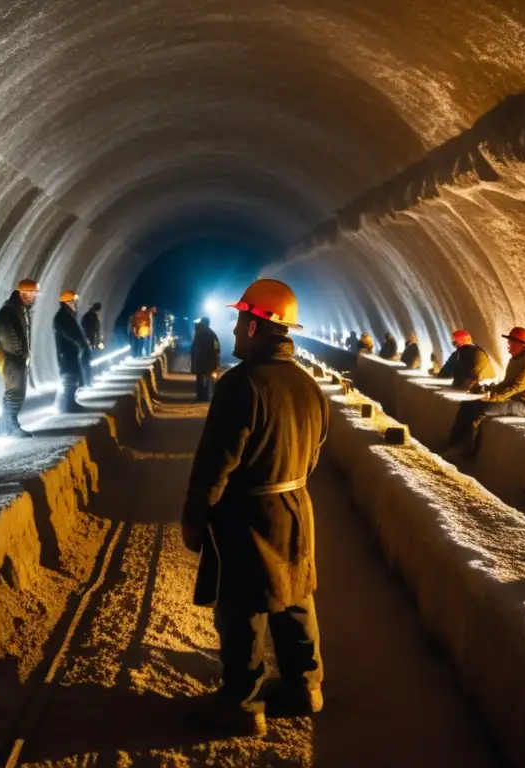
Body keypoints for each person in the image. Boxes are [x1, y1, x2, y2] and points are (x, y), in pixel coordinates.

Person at [181, 278, 328, 735]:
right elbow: (316, 451)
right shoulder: (308, 385)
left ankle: (242, 704)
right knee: (295, 594)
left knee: (242, 606)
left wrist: (197, 514)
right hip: (295, 505)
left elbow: (216, 462)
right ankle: (306, 688)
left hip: (248, 515)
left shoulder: (241, 384)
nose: (234, 328)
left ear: (256, 325)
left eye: (240, 319)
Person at [444, 327, 525, 457]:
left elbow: (516, 387)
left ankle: (465, 449)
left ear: (520, 344)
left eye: (511, 343)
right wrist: (489, 390)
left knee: (483, 409)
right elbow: (505, 384)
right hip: (515, 399)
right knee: (466, 406)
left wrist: (494, 398)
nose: (508, 346)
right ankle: (452, 444)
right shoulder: (515, 360)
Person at [0, 278, 38, 438]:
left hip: (14, 357)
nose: (34, 296)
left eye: (35, 293)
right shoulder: (9, 310)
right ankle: (10, 428)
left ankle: (8, 427)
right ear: (22, 293)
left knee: (16, 391)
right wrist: (17, 349)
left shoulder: (19, 309)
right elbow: (0, 328)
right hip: (10, 358)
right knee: (14, 392)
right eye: (31, 293)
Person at [53, 289, 88, 413]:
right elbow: (69, 333)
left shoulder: (67, 316)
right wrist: (78, 342)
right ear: (67, 302)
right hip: (66, 352)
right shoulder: (62, 317)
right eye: (73, 301)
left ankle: (71, 403)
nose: (75, 304)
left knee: (73, 378)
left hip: (70, 351)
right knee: (69, 378)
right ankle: (68, 406)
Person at [191, 316, 221, 402]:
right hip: (209, 360)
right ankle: (207, 397)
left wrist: (193, 360)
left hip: (199, 360)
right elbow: (216, 348)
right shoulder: (211, 334)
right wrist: (217, 361)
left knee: (199, 378)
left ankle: (200, 396)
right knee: (209, 379)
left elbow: (193, 348)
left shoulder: (198, 333)